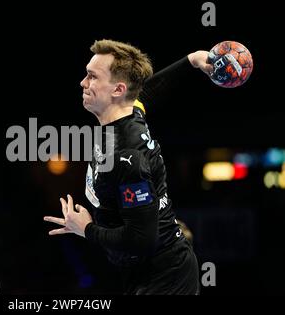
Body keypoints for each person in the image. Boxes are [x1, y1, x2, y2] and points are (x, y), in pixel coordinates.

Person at [44, 39, 212, 295]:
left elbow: (141, 241)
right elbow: (147, 92)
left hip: (166, 279)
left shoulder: (128, 157)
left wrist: (87, 229)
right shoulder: (127, 113)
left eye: (91, 77)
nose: (83, 83)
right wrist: (191, 61)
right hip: (140, 273)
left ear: (117, 90)